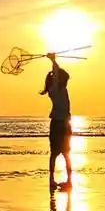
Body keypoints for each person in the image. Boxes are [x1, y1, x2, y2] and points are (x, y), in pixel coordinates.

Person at [40, 53, 72, 191]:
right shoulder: (56, 89)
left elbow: (57, 74)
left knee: (60, 154)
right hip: (61, 124)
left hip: (62, 123)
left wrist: (54, 64)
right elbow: (57, 73)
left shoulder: (60, 89)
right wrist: (53, 60)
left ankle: (57, 180)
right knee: (62, 154)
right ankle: (57, 180)